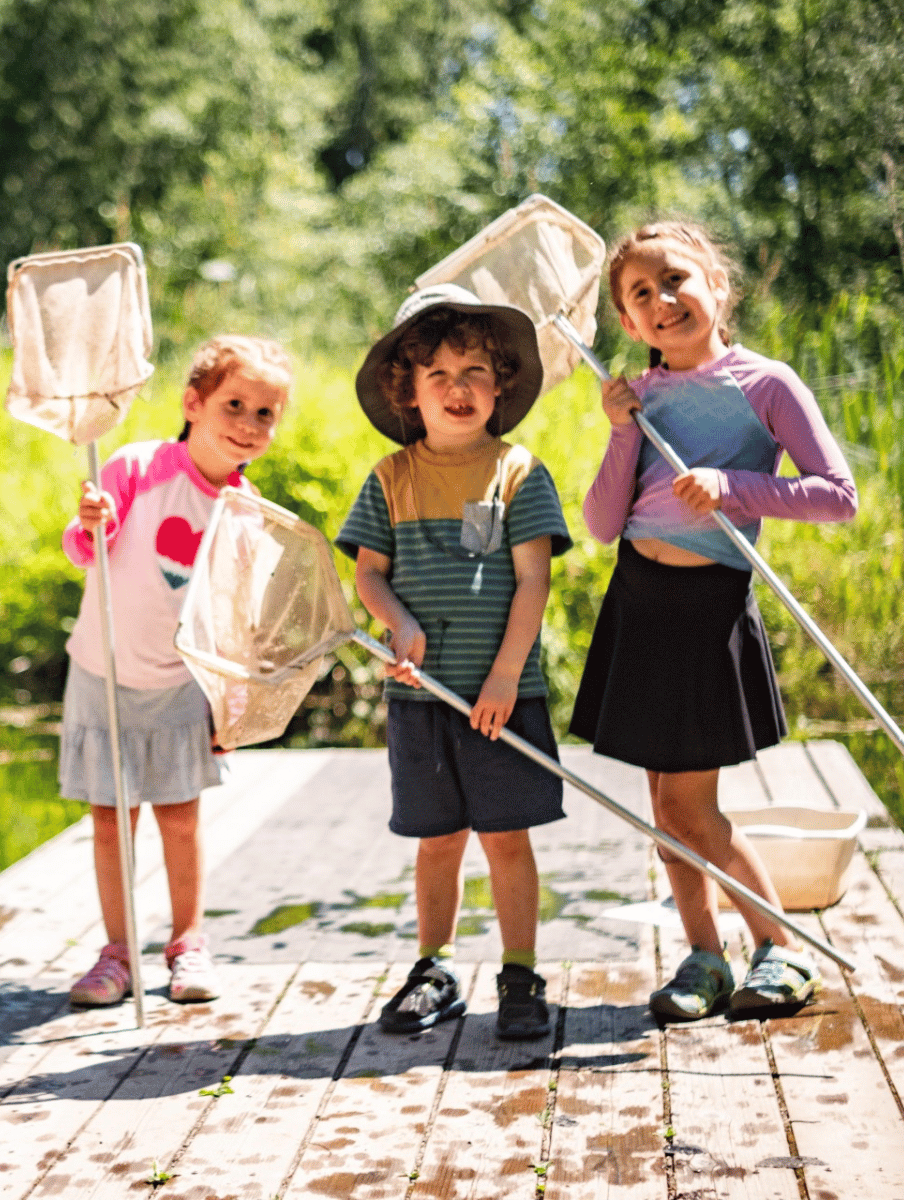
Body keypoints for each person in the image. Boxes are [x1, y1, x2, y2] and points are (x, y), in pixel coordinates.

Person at [569, 222, 858, 1021]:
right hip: (640, 603)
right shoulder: (642, 396)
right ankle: (705, 956)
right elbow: (600, 522)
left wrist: (732, 486)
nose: (662, 302)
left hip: (708, 610)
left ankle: (781, 950)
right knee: (665, 806)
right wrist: (623, 429)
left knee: (693, 808)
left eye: (676, 281)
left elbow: (837, 495)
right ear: (627, 324)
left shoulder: (766, 385)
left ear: (718, 287)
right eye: (640, 295)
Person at [336, 284, 572, 1040]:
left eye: (473, 370)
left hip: (502, 695)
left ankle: (520, 972)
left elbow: (532, 578)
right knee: (437, 841)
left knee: (507, 838)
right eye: (436, 375)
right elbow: (369, 573)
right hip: (419, 699)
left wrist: (505, 674)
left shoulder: (517, 473)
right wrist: (397, 623)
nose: (456, 388)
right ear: (409, 391)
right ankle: (432, 969)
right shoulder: (390, 477)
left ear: (500, 382)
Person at [61, 335, 293, 1006]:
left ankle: (188, 944)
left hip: (179, 684)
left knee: (181, 819)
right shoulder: (135, 466)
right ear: (193, 403)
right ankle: (117, 954)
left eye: (265, 414)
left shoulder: (247, 516)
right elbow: (86, 548)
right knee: (111, 820)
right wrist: (91, 521)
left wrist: (231, 704)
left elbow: (234, 621)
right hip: (102, 673)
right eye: (235, 405)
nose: (248, 425)